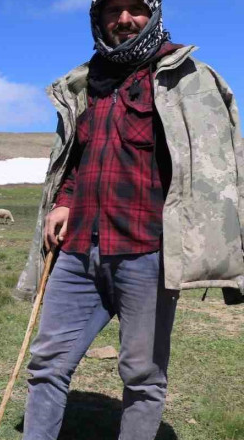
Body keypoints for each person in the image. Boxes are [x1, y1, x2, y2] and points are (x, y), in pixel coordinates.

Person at [15, 0, 243, 439]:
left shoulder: (188, 80)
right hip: (79, 248)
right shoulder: (87, 82)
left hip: (147, 251)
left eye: (135, 8)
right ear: (97, 18)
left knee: (142, 375)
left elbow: (215, 166)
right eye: (112, 10)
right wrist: (63, 199)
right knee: (46, 364)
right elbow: (74, 160)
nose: (124, 20)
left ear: (153, 13)